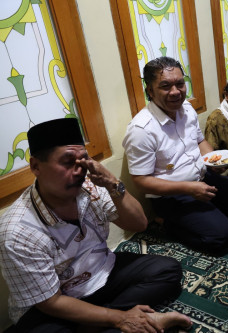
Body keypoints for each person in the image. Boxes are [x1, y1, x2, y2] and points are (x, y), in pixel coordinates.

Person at [0, 118, 191, 332]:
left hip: (101, 273)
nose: (79, 170)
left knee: (167, 271)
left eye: (83, 160)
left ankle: (102, 320)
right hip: (54, 302)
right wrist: (118, 318)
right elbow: (50, 302)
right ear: (36, 166)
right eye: (67, 161)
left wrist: (113, 184)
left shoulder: (91, 187)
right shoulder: (17, 230)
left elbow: (138, 224)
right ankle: (130, 320)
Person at [122, 57, 228, 256]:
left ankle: (210, 212)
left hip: (203, 178)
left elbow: (199, 141)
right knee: (223, 238)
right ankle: (166, 223)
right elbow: (141, 181)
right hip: (173, 196)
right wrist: (188, 188)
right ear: (150, 91)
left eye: (180, 84)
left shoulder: (186, 109)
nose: (175, 92)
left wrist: (214, 158)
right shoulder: (141, 129)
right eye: (165, 86)